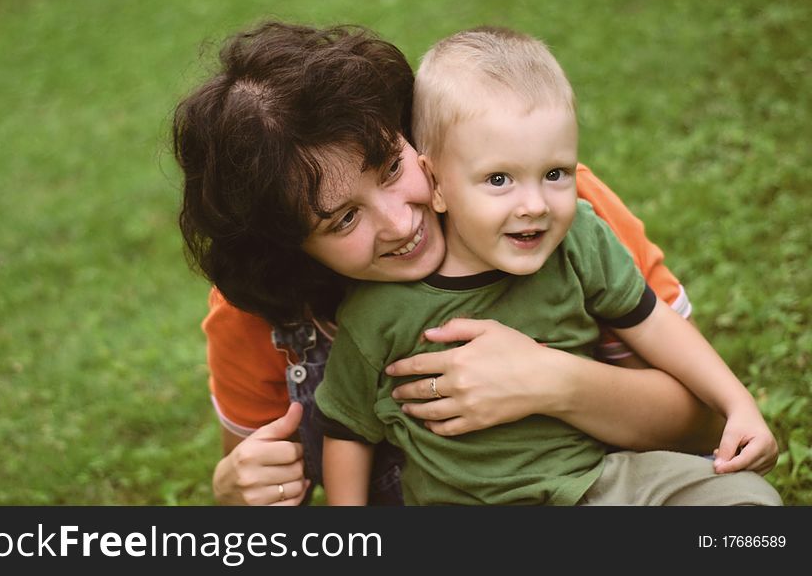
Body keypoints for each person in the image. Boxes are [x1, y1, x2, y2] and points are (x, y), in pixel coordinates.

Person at [173, 21, 730, 506]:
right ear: (289, 248)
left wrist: (555, 381)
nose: (399, 223)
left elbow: (707, 425)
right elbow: (267, 497)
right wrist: (238, 492)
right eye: (342, 219)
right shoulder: (256, 310)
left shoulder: (549, 215)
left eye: (391, 167)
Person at [314, 26, 780, 505]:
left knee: (745, 500)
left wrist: (737, 402)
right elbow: (348, 429)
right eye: (499, 179)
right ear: (435, 182)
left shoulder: (577, 238)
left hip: (596, 483)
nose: (535, 204)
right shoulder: (377, 309)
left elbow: (653, 322)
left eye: (554, 173)